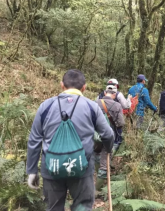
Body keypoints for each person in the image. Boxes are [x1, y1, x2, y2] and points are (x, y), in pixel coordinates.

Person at [26, 69, 114, 211]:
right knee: (83, 206)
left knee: (53, 207)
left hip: (51, 168)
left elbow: (34, 140)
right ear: (84, 87)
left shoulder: (46, 106)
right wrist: (109, 148)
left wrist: (31, 170)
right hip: (82, 169)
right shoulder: (92, 107)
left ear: (62, 85)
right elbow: (108, 134)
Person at [96, 85, 125, 178]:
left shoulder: (95, 103)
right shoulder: (117, 105)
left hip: (95, 135)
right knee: (106, 154)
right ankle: (99, 184)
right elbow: (121, 123)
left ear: (105, 93)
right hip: (109, 135)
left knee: (96, 153)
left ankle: (95, 171)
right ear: (114, 95)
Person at [98, 78, 131, 146]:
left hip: (101, 124)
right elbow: (126, 106)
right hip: (114, 122)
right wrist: (129, 99)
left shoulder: (101, 94)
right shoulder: (118, 94)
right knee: (116, 139)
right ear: (115, 86)